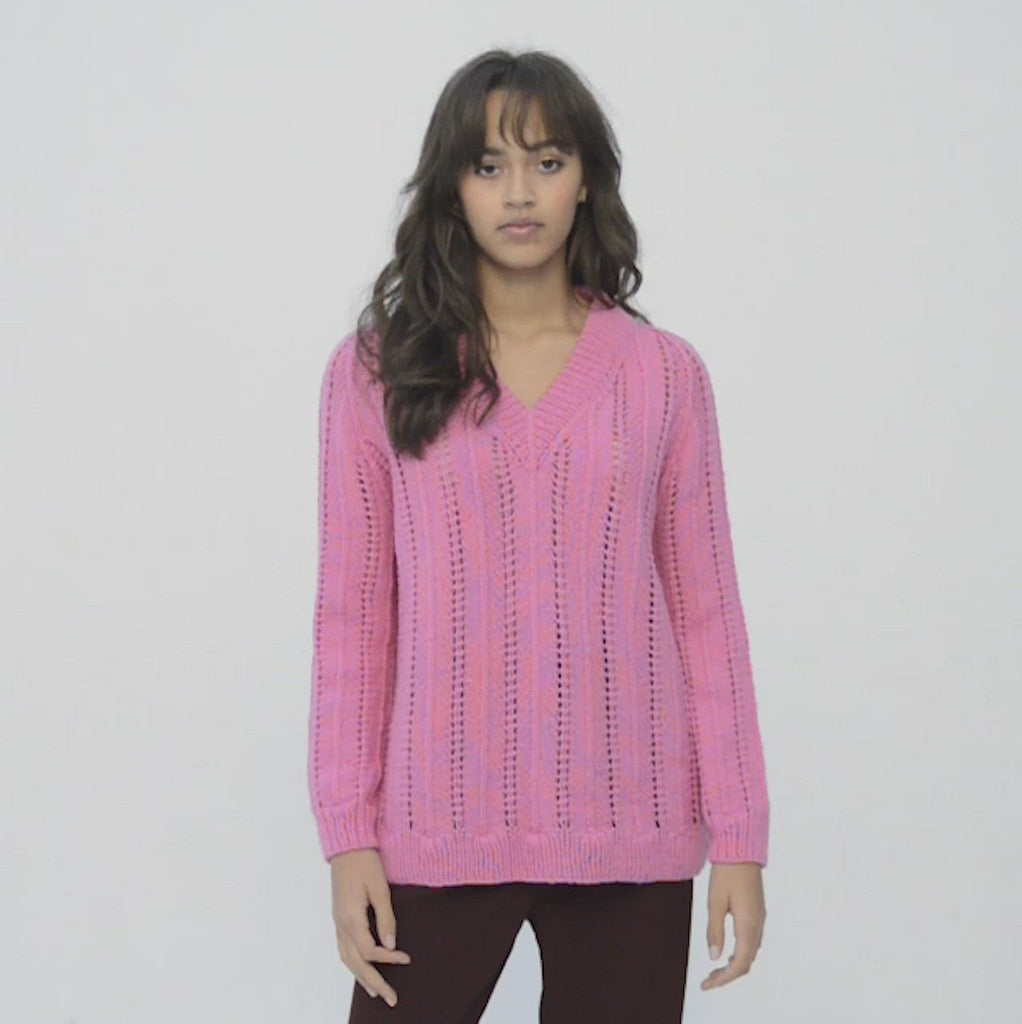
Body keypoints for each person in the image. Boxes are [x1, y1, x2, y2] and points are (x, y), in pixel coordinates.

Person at [307, 47, 770, 1023]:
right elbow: (353, 619)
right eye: (488, 166)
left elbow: (707, 615)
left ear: (586, 179)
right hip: (434, 829)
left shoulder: (663, 375)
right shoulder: (377, 372)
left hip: (633, 827)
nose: (519, 192)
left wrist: (739, 836)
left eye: (547, 161)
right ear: (452, 187)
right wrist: (347, 835)